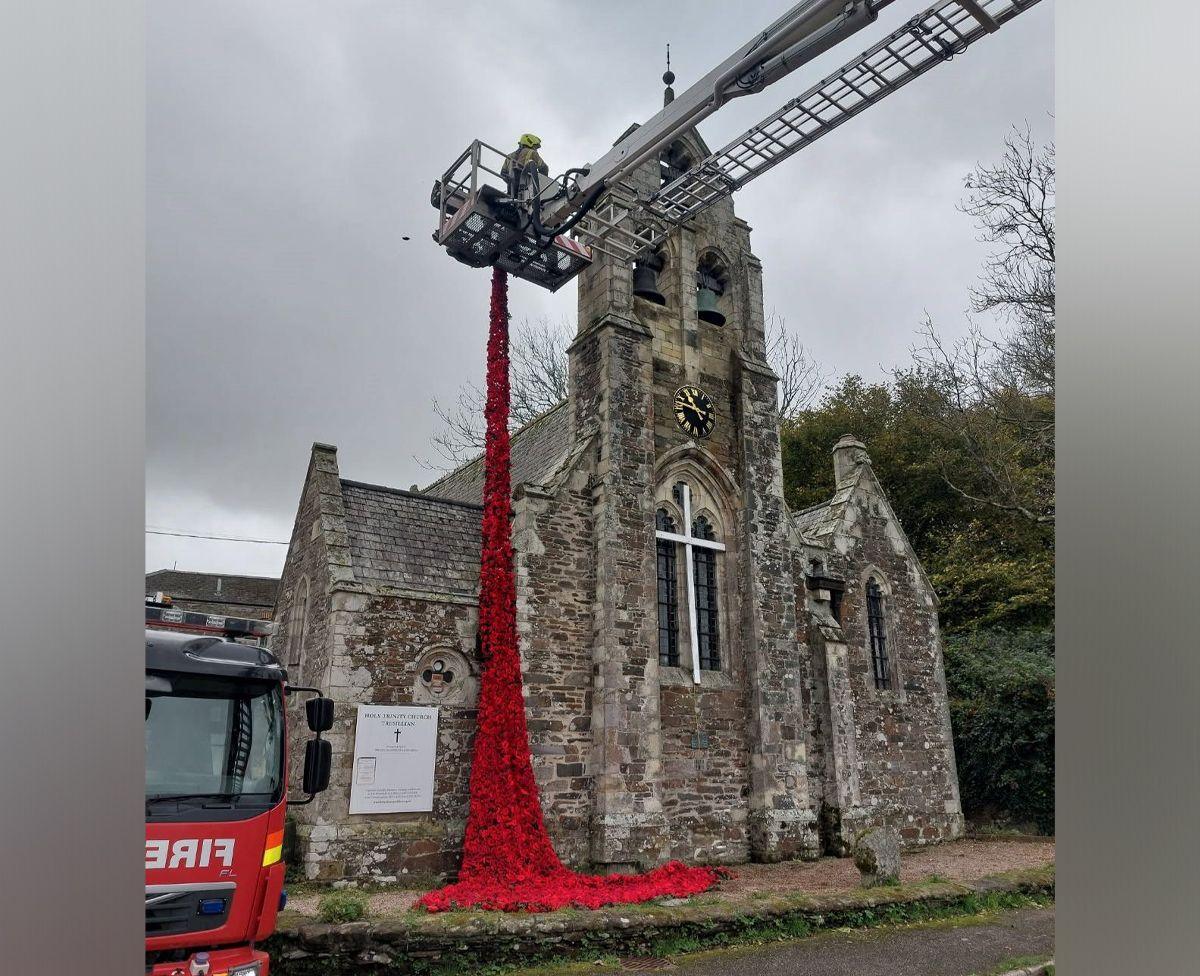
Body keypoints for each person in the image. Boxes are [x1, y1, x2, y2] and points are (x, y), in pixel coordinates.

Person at [502, 133, 549, 200]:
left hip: (511, 191)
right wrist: (543, 183)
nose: (536, 149)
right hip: (526, 190)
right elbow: (544, 168)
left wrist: (512, 182)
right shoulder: (532, 152)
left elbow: (503, 173)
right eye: (535, 147)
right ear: (530, 143)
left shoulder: (509, 156)